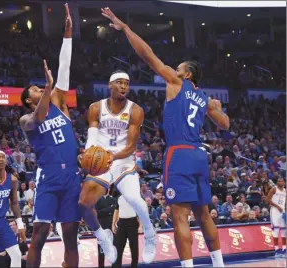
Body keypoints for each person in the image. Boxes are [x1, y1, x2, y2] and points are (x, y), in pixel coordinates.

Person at [101, 7, 229, 267]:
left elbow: (148, 55)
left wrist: (125, 28)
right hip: (199, 155)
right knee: (204, 215)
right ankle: (219, 264)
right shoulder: (204, 99)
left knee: (180, 217)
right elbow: (225, 124)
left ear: (187, 74)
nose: (175, 69)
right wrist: (215, 106)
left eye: (180, 67)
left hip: (179, 154)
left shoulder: (176, 82)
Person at [20, 4, 80, 268]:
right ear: (27, 100)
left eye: (39, 87)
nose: (39, 88)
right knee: (39, 235)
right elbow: (38, 118)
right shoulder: (26, 119)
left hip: (71, 176)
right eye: (34, 89)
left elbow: (64, 66)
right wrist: (46, 87)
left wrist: (67, 33)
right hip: (49, 176)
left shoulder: (58, 102)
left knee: (71, 236)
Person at [78, 69, 157, 265]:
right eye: (119, 82)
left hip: (123, 161)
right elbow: (92, 137)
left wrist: (111, 156)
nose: (123, 86)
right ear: (110, 85)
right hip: (102, 162)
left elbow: (130, 146)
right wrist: (89, 153)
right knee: (83, 203)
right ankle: (103, 238)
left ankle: (149, 233)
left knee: (135, 200)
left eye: (126, 83)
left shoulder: (135, 110)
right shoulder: (96, 107)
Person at [112, 194, 141, 268]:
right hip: (121, 224)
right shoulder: (119, 198)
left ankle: (134, 266)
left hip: (132, 223)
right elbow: (116, 211)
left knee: (134, 248)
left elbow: (140, 211)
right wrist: (113, 224)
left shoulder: (134, 197)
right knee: (118, 247)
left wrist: (141, 226)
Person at [267, 177, 286, 257]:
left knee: (284, 230)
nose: (279, 182)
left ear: (284, 182)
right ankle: (277, 250)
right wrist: (277, 207)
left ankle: (284, 249)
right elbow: (268, 200)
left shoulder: (285, 191)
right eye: (278, 181)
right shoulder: (274, 189)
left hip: (283, 211)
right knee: (276, 229)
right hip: (275, 211)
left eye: (281, 181)